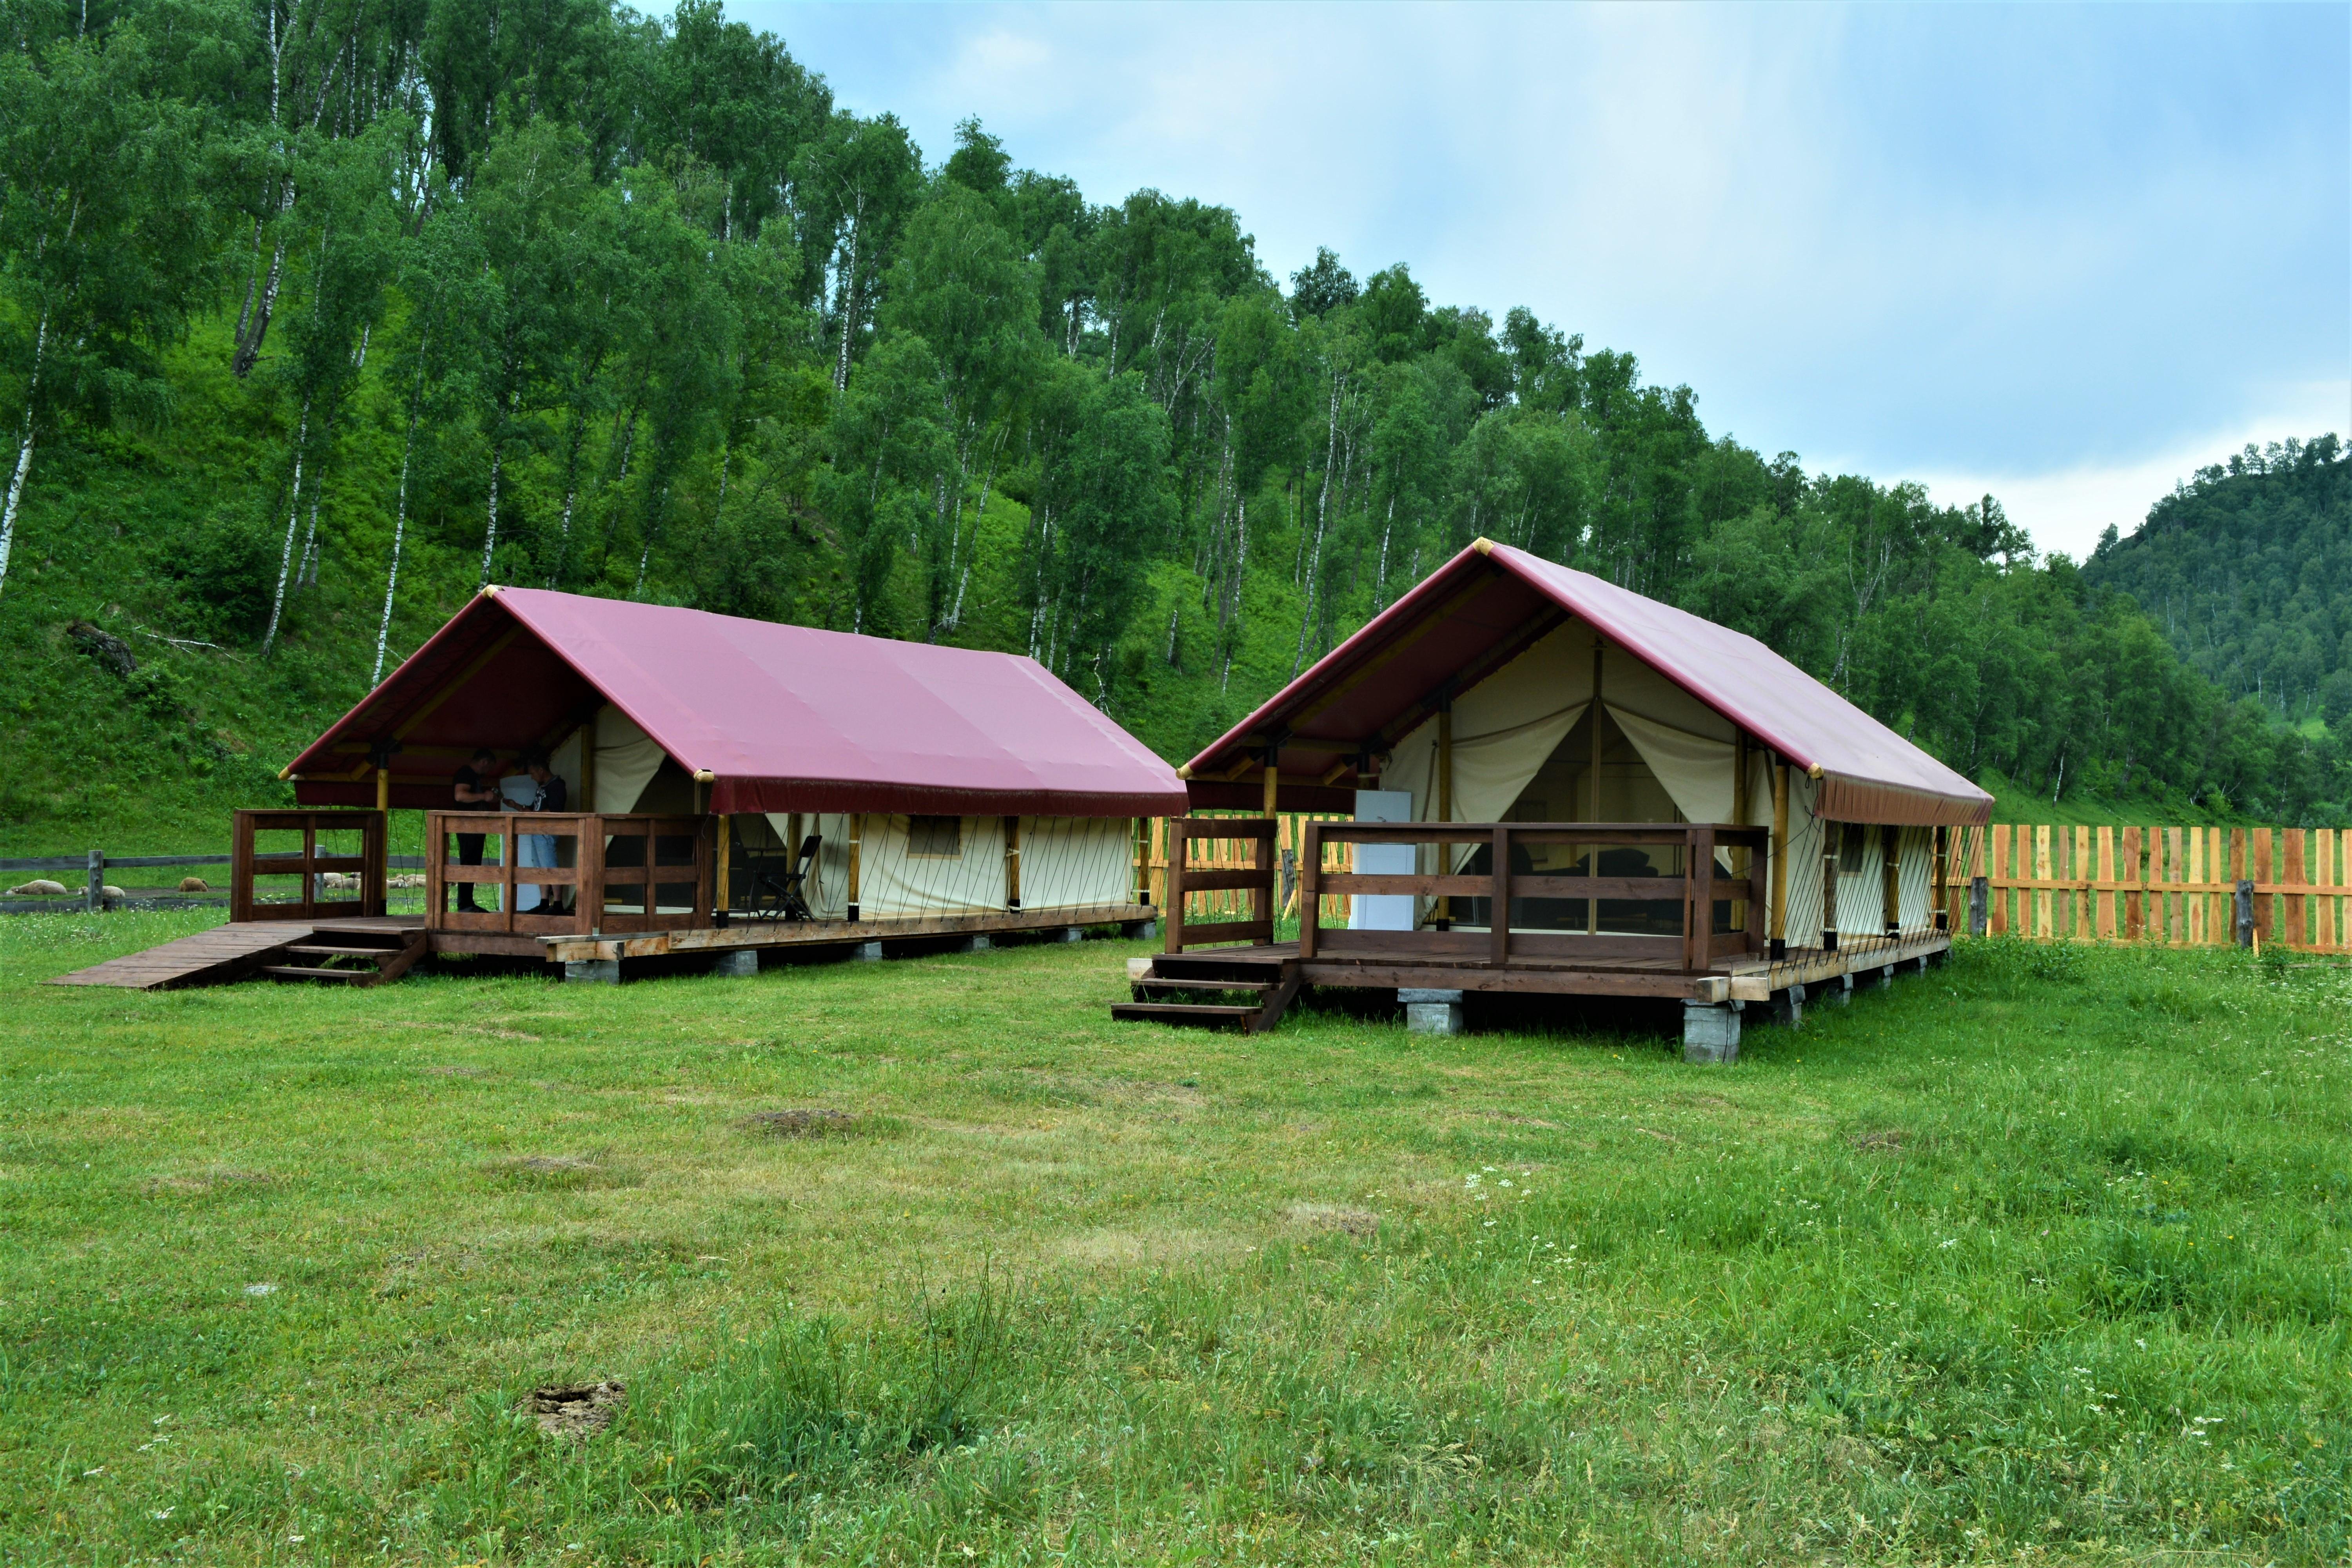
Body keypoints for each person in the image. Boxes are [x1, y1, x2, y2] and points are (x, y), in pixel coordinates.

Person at [517, 750, 569, 913]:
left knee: (550, 865)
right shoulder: (543, 787)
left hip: (547, 831)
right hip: (537, 830)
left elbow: (555, 810)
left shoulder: (557, 786)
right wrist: (517, 807)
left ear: (541, 770)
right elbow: (535, 808)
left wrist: (532, 814)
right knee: (540, 866)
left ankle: (558, 904)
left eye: (533, 773)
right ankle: (544, 902)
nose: (532, 777)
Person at [451, 748, 502, 913]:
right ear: (484, 762)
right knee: (468, 862)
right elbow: (460, 796)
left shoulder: (474, 778)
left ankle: (468, 902)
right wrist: (483, 797)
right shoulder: (466, 774)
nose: (488, 772)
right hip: (468, 826)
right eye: (489, 768)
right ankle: (464, 904)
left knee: (473, 863)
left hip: (476, 826)